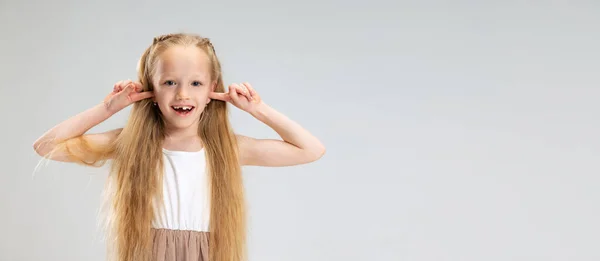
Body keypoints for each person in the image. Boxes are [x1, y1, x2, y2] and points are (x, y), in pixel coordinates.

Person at [32, 33, 326, 261]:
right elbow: (46, 146)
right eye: (170, 82)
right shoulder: (131, 143)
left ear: (213, 91)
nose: (182, 93)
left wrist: (259, 110)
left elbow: (310, 149)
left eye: (196, 83)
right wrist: (107, 108)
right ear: (151, 90)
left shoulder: (227, 148)